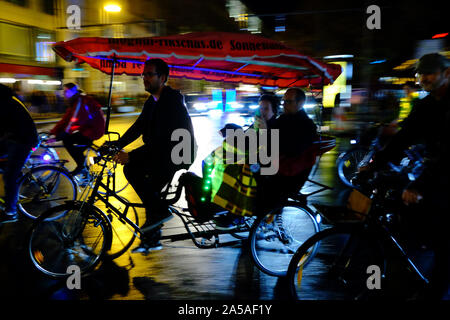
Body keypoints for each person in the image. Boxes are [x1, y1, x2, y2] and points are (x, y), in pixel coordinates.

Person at [362, 53, 450, 299]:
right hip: (437, 172)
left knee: (442, 238)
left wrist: (420, 185)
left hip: (444, 174)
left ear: (447, 74)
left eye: (430, 73)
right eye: (421, 74)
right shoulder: (427, 105)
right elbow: (404, 137)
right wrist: (373, 164)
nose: (424, 78)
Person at [110, 58, 197, 253]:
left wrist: (131, 156)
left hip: (178, 154)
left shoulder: (171, 102)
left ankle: (159, 215)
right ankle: (152, 237)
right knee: (151, 194)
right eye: (144, 74)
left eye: (150, 74)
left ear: (163, 77)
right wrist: (115, 144)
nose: (145, 78)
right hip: (164, 152)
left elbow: (162, 140)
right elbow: (139, 126)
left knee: (133, 170)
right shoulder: (153, 101)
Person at [50, 83, 105, 182]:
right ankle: (85, 170)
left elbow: (74, 121)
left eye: (66, 91)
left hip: (94, 130)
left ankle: (82, 168)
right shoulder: (75, 101)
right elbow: (65, 119)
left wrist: (61, 135)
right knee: (72, 144)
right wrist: (53, 132)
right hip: (87, 129)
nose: (64, 93)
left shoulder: (81, 100)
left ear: (73, 91)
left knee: (68, 141)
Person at [0, 84, 38, 224]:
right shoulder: (8, 100)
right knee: (8, 168)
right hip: (14, 138)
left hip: (23, 141)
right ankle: (18, 177)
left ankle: (11, 212)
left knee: (9, 175)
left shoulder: (6, 104)